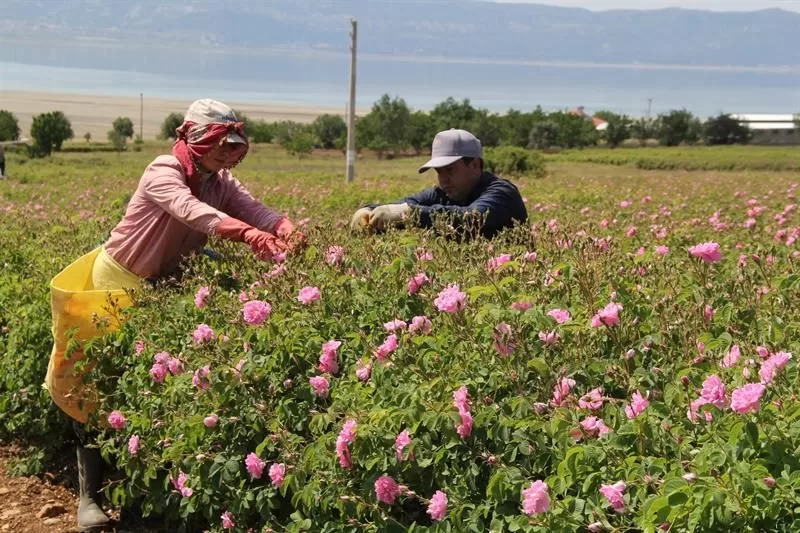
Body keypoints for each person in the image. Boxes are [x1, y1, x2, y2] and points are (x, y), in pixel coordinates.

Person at [46, 99, 303, 531]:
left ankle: (146, 482)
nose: (226, 151)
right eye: (218, 142)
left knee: (155, 380)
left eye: (232, 143)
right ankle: (89, 497)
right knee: (94, 386)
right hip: (116, 283)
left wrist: (283, 227)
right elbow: (190, 210)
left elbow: (254, 209)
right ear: (192, 138)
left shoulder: (220, 182)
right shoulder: (162, 171)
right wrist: (245, 234)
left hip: (163, 287)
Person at [350, 128, 527, 239]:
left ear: (474, 165)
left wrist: (411, 214)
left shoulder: (502, 193)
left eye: (450, 170)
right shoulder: (444, 193)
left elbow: (472, 217)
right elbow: (400, 205)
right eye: (438, 171)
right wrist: (367, 210)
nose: (443, 179)